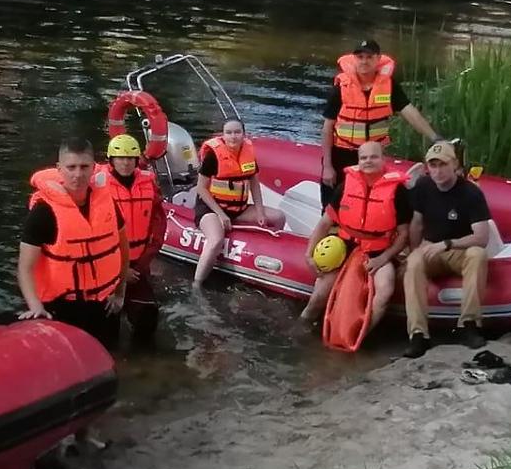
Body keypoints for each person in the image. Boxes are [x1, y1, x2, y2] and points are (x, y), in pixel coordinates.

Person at [17, 139, 132, 345]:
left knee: (108, 360)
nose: (77, 174)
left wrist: (119, 294)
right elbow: (25, 268)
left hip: (103, 304)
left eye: (84, 167)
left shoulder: (107, 205)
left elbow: (123, 251)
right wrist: (35, 307)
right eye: (71, 167)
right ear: (59, 169)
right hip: (62, 307)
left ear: (94, 168)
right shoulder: (43, 213)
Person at [299, 140, 411, 332]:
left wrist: (384, 258)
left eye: (373, 157)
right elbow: (325, 223)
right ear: (358, 161)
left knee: (384, 291)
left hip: (379, 250)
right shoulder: (345, 186)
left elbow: (403, 235)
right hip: (344, 246)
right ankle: (302, 326)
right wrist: (309, 255)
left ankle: (361, 335)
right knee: (319, 296)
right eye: (363, 157)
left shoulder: (399, 192)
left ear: (383, 159)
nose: (368, 161)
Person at [400, 139, 492, 358]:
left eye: (442, 165)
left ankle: (469, 325)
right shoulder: (423, 187)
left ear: (455, 166)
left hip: (457, 250)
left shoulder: (471, 193)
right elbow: (417, 223)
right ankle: (418, 335)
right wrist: (414, 250)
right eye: (433, 165)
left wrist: (448, 244)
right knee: (414, 262)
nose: (438, 171)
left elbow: (481, 237)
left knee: (477, 255)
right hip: (430, 248)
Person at [321, 39, 441, 189]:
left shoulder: (389, 86)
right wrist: (327, 166)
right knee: (335, 202)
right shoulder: (341, 88)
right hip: (343, 155)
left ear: (378, 59)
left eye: (369, 57)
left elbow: (410, 114)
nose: (364, 61)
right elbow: (327, 128)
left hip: (373, 155)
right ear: (354, 59)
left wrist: (435, 138)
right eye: (360, 57)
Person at [190, 118, 285, 288]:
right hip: (210, 208)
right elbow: (201, 189)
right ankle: (197, 284)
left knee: (278, 217)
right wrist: (221, 214)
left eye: (237, 132)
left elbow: (254, 184)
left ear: (243, 134)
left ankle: (271, 258)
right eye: (229, 132)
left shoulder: (248, 153)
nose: (233, 136)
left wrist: (260, 211)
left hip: (238, 208)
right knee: (216, 240)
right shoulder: (213, 156)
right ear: (223, 135)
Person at [102, 133, 167, 347]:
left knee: (148, 318)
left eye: (130, 158)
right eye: (120, 158)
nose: (126, 163)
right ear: (111, 160)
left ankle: (142, 361)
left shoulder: (148, 182)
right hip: (108, 266)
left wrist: (140, 265)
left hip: (138, 264)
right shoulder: (99, 185)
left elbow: (158, 226)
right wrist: (120, 271)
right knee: (107, 324)